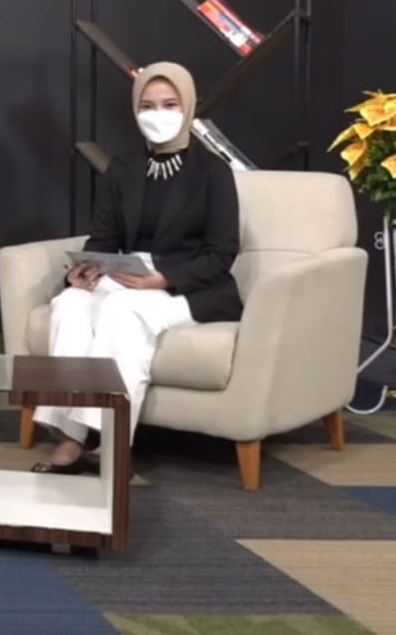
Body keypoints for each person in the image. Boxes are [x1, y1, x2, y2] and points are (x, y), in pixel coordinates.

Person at [32, 61, 242, 474]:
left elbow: (221, 253)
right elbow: (102, 239)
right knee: (69, 304)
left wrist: (164, 279)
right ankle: (71, 436)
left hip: (187, 285)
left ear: (188, 106)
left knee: (121, 310)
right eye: (147, 106)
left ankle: (112, 441)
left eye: (169, 104)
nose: (157, 114)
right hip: (127, 274)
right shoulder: (122, 168)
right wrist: (84, 271)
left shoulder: (213, 171)